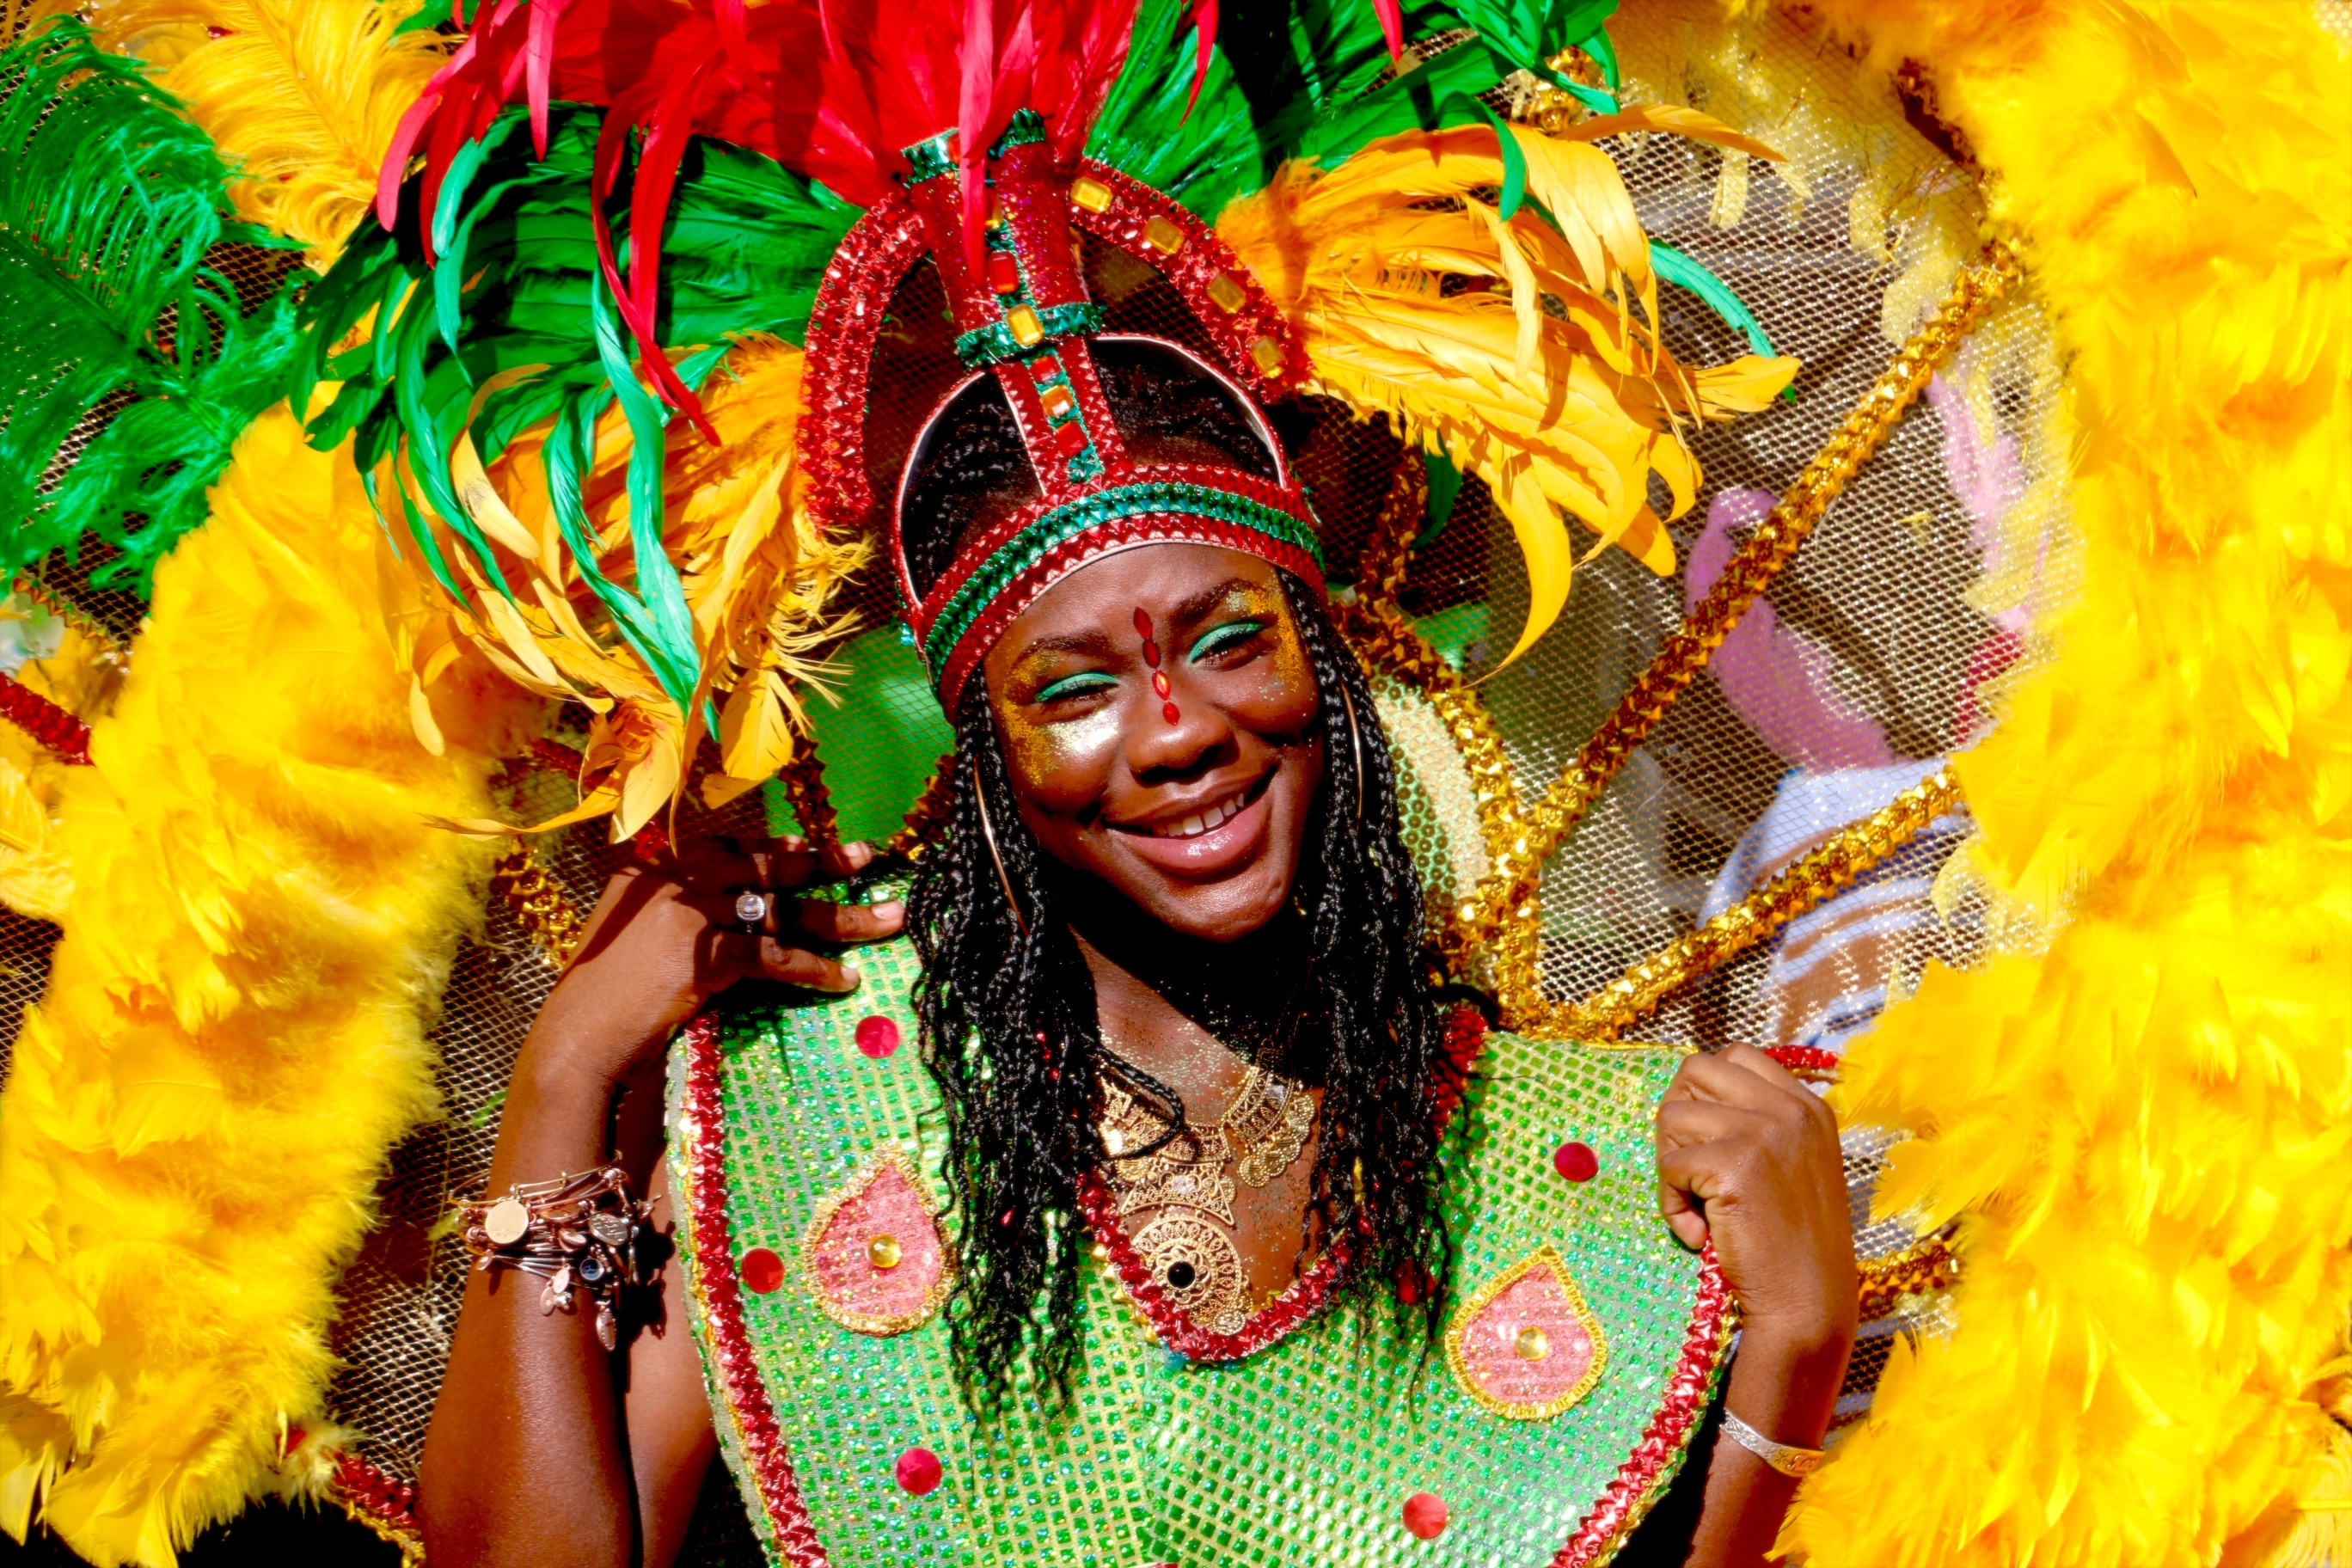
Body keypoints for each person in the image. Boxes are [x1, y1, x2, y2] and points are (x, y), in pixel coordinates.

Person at [414, 336, 1858, 1565]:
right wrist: (568, 1069)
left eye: (1230, 642)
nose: (1176, 733)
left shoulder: (1589, 1168)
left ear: (1325, 670)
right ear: (991, 761)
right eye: (1074, 689)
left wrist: (1795, 1349)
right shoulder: (822, 1098)